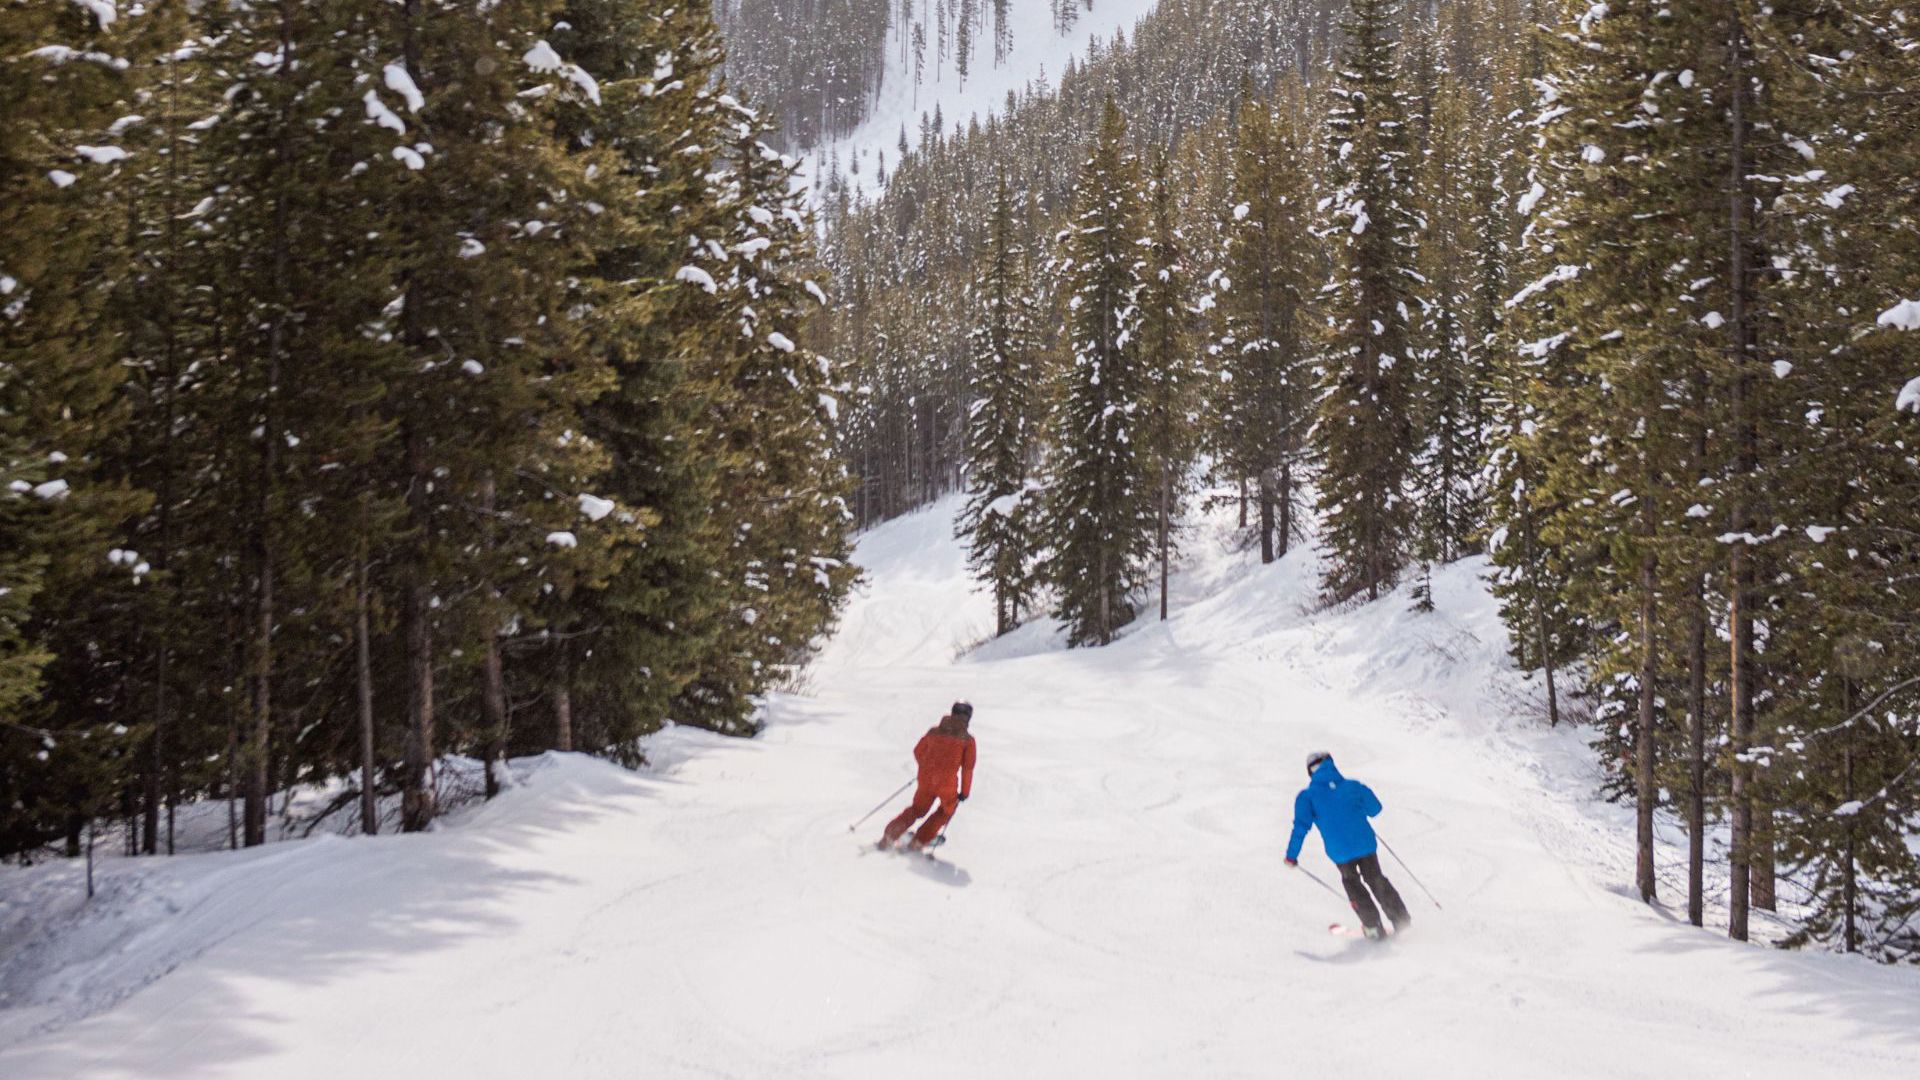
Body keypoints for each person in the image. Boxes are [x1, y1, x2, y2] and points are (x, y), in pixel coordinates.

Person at [1284, 751, 1410, 940]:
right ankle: (1401, 921)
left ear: (1310, 772)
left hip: (1340, 851)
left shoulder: (1307, 797)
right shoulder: (1352, 786)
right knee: (1375, 878)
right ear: (1331, 764)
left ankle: (1373, 929)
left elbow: (1300, 828)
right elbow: (1375, 809)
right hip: (1365, 843)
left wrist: (1291, 856)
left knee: (1353, 885)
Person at [879, 701, 976, 852]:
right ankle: (919, 840)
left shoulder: (934, 731)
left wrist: (926, 768)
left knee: (917, 809)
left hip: (925, 779)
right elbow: (967, 769)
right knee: (946, 811)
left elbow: (918, 750)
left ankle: (889, 835)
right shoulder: (967, 741)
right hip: (947, 784)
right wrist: (964, 793)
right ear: (968, 718)